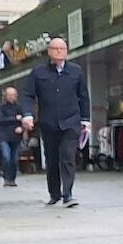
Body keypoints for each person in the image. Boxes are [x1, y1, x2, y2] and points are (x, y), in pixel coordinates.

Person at [28, 37, 91, 207]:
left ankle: (68, 194)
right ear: (49, 51)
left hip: (71, 122)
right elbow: (27, 95)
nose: (58, 51)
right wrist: (27, 114)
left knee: (67, 156)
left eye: (62, 48)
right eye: (55, 48)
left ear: (66, 51)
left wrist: (86, 120)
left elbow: (84, 96)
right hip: (48, 123)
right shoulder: (38, 72)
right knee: (52, 159)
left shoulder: (76, 71)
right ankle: (54, 193)